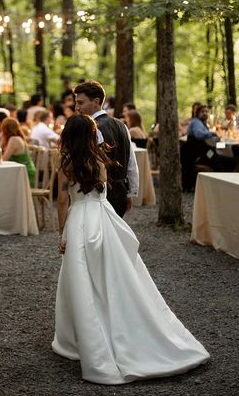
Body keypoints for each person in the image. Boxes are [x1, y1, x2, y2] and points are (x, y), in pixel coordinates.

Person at [52, 114, 209, 384]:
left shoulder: (65, 164)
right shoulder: (100, 160)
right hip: (102, 218)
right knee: (115, 272)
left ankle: (80, 336)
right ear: (91, 135)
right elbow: (101, 193)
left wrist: (62, 231)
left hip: (79, 220)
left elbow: (63, 201)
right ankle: (121, 318)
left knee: (79, 276)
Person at [73, 80, 138, 218]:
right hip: (120, 192)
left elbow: (91, 167)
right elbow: (132, 162)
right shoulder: (121, 125)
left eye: (80, 103)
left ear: (96, 102)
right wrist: (131, 192)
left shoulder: (91, 129)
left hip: (100, 196)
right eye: (76, 102)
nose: (76, 107)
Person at [0, 118, 35, 186]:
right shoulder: (15, 138)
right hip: (19, 172)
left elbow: (3, 160)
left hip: (25, 174)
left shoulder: (14, 139)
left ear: (5, 129)